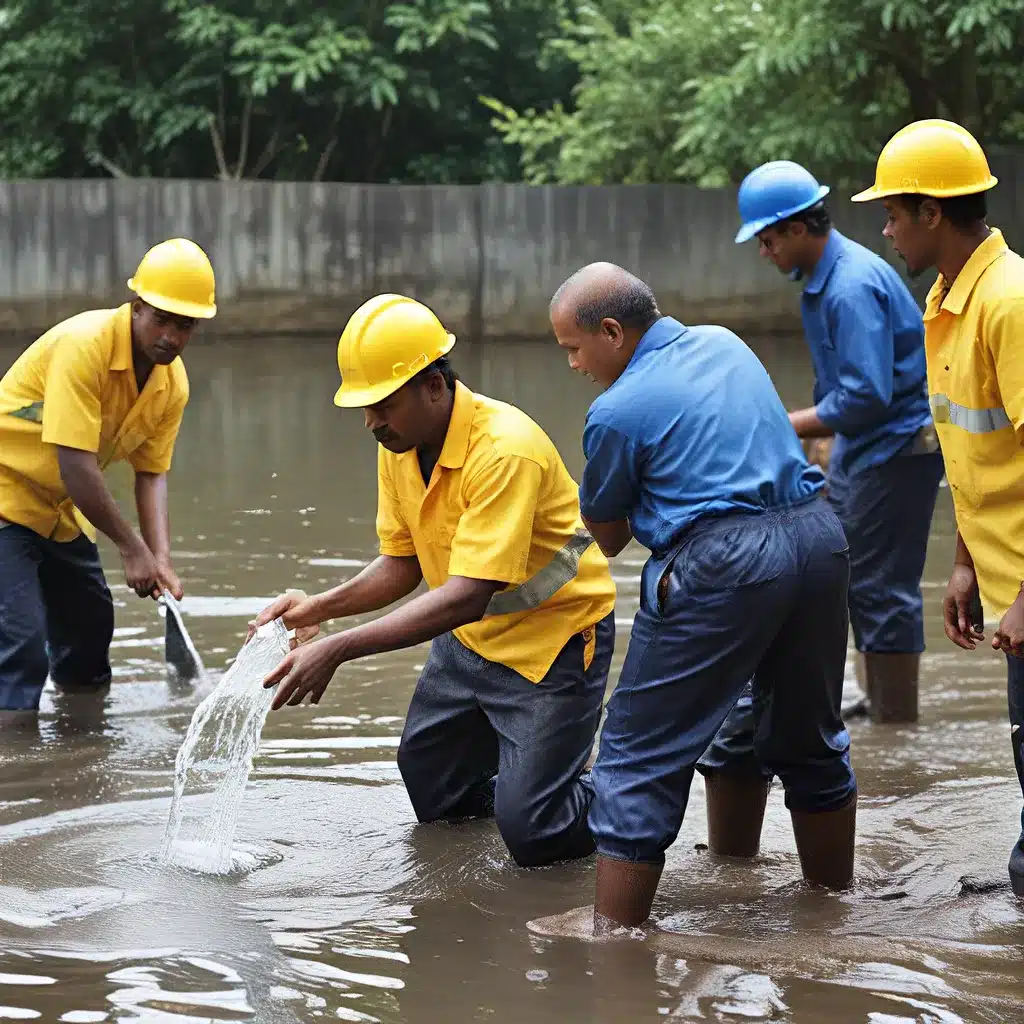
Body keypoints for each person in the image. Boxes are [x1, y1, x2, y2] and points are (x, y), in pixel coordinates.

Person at [249, 293, 617, 869]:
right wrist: (320, 607)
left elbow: (467, 594)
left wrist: (340, 649)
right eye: (365, 408)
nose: (371, 422)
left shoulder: (504, 451)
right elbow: (403, 563)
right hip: (470, 639)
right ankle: (538, 783)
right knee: (436, 790)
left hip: (552, 642)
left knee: (536, 836)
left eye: (383, 404)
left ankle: (629, 785)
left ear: (434, 387)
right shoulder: (401, 441)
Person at [547, 262, 857, 931]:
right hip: (817, 540)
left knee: (635, 754)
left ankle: (614, 942)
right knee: (808, 737)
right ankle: (833, 906)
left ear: (610, 332)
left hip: (724, 564)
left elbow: (607, 536)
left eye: (573, 348)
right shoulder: (726, 343)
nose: (572, 364)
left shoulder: (615, 412)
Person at [851, 118, 1024, 899]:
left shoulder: (1009, 302)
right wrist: (961, 563)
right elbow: (972, 450)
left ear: (932, 212)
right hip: (1002, 569)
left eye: (892, 213)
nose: (885, 230)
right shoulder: (948, 298)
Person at [733, 160, 944, 726]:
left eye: (768, 238)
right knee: (855, 579)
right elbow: (841, 385)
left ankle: (897, 725)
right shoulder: (828, 280)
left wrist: (782, 425)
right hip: (866, 448)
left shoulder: (849, 286)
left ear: (800, 229)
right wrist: (817, 441)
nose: (764, 251)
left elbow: (866, 398)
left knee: (881, 586)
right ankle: (881, 706)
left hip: (895, 448)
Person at [0, 237, 216, 725]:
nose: (171, 336)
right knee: (22, 645)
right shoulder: (85, 347)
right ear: (136, 307)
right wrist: (131, 547)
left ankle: (79, 739)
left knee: (91, 628)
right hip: (5, 495)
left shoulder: (170, 383)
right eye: (161, 318)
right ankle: (16, 775)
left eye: (185, 325)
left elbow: (152, 474)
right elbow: (76, 464)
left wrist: (160, 559)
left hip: (59, 510)